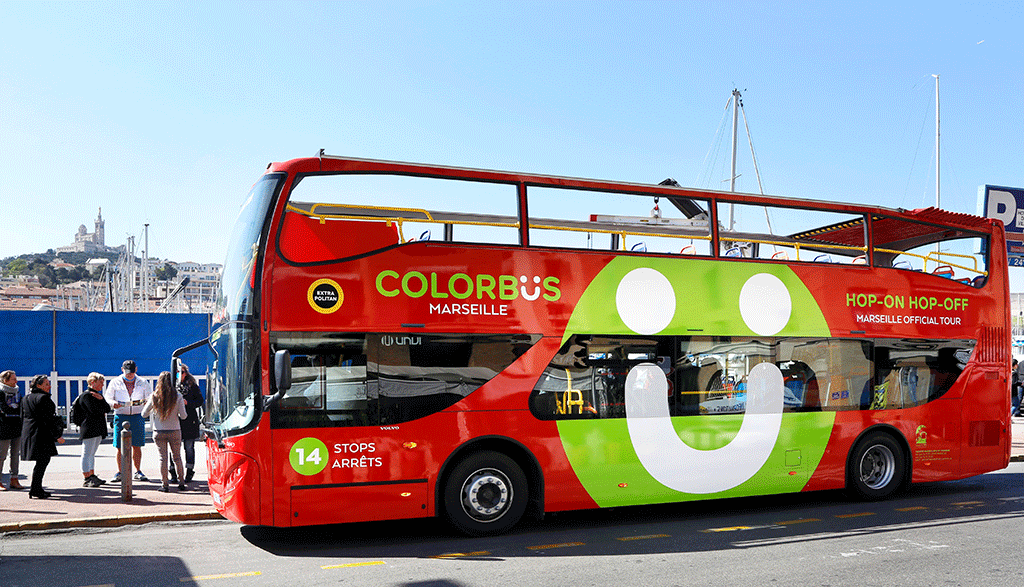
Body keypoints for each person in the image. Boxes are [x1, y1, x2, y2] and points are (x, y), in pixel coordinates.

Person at [104, 360, 154, 483]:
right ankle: (120, 472)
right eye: (127, 372)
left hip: (137, 415)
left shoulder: (143, 382)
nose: (129, 375)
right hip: (121, 415)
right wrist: (113, 403)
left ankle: (138, 471)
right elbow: (108, 397)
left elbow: (150, 397)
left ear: (136, 369)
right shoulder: (115, 382)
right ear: (122, 370)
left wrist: (145, 402)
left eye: (131, 372)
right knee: (119, 446)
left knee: (137, 445)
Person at [142, 371, 187, 492]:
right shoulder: (177, 396)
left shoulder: (154, 396)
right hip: (175, 430)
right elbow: (183, 416)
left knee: (163, 458)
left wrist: (154, 410)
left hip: (159, 430)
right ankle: (181, 482)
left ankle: (165, 484)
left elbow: (143, 414)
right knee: (177, 457)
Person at [20, 375, 65, 499]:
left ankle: (36, 488)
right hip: (41, 434)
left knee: (41, 462)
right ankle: (35, 489)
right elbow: (48, 420)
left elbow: (22, 417)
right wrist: (57, 435)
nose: (49, 386)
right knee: (43, 461)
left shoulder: (26, 398)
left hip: (29, 432)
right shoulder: (44, 398)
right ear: (38, 385)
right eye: (46, 384)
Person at [76, 372, 112, 487]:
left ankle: (92, 474)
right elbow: (94, 411)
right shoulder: (86, 396)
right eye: (100, 383)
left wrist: (102, 400)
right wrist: (101, 405)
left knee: (92, 453)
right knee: (87, 453)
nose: (102, 385)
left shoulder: (98, 396)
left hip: (97, 428)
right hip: (89, 428)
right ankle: (86, 477)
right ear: (92, 382)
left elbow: (107, 409)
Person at [169, 363, 203, 484]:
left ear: (186, 373)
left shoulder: (192, 385)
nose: (180, 374)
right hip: (175, 421)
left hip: (189, 420)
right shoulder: (171, 385)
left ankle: (189, 471)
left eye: (182, 372)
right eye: (177, 372)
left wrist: (187, 402)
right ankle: (173, 472)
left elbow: (200, 401)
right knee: (173, 448)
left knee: (189, 447)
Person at [1, 370, 25, 490]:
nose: (16, 381)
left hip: (16, 426)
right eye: (13, 379)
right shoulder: (1, 392)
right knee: (1, 455)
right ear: (5, 380)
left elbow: (21, 407)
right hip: (3, 427)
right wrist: (13, 409)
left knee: (15, 455)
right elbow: (3, 408)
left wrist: (14, 410)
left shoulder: (17, 391)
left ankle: (14, 479)